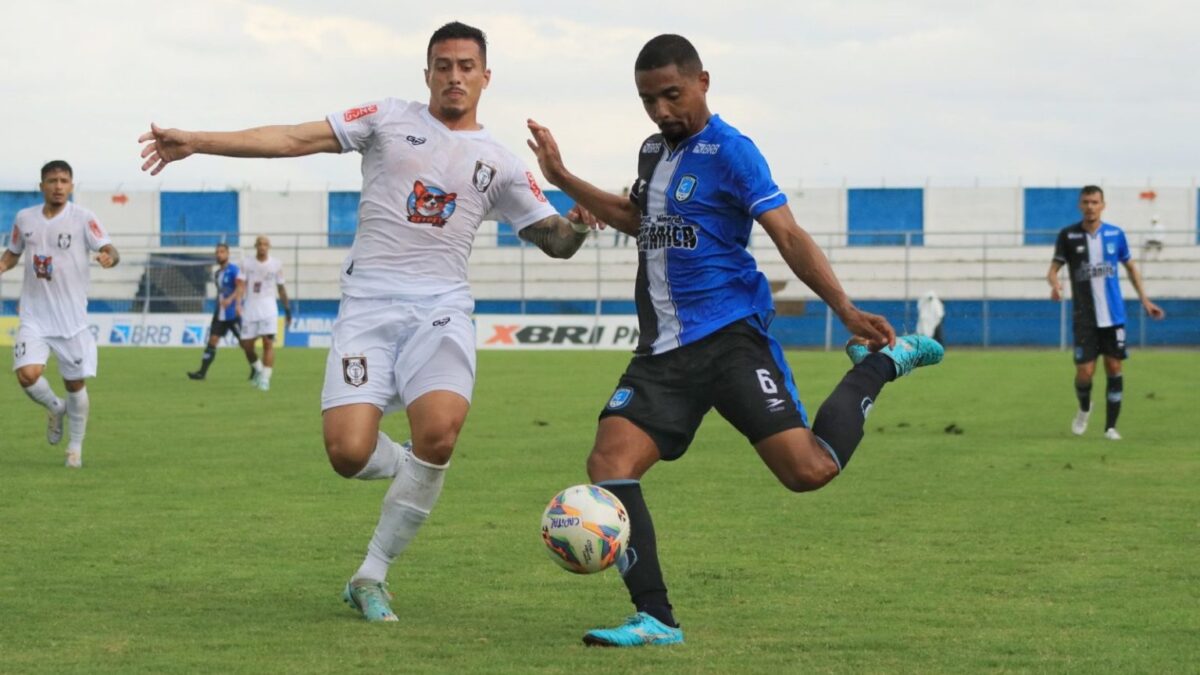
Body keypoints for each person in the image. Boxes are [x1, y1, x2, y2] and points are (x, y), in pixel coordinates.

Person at [139, 21, 593, 621]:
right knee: (348, 454)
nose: (454, 76)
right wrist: (198, 140)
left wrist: (582, 221)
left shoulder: (502, 162)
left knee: (441, 434)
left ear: (486, 76)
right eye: (443, 64)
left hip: (442, 310)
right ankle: (409, 468)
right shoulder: (385, 118)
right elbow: (294, 139)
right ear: (427, 72)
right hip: (369, 306)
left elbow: (554, 241)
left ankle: (370, 574)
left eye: (465, 66)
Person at [526, 34, 944, 647]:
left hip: (729, 339)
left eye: (672, 95)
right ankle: (656, 620)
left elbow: (788, 234)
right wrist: (563, 177)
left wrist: (845, 307)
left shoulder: (733, 152)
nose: (662, 111)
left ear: (702, 82)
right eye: (648, 100)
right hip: (661, 353)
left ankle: (882, 365)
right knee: (608, 464)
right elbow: (636, 219)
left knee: (808, 471)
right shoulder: (652, 152)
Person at [0, 160, 120, 468]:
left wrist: (109, 257)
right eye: (52, 180)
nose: (58, 186)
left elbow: (110, 247)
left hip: (72, 321)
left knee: (75, 385)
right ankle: (55, 407)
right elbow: (12, 254)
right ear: (41, 186)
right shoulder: (24, 218)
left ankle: (75, 449)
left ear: (71, 185)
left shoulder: (83, 218)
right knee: (27, 375)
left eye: (64, 180)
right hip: (34, 315)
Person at [1047, 185, 1165, 440]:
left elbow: (1131, 268)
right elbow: (1053, 269)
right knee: (1085, 372)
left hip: (1114, 316)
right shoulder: (1068, 235)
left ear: (1103, 205)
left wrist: (1145, 299)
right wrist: (1055, 284)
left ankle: (1110, 427)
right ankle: (1084, 407)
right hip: (1084, 317)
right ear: (1080, 205)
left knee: (1114, 367)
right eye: (1086, 202)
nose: (1090, 206)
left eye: (1095, 202)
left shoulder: (1115, 234)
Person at [187, 242, 255, 380]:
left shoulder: (234, 270)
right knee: (212, 341)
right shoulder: (217, 273)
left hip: (233, 314)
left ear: (228, 254)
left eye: (222, 252)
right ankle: (202, 372)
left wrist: (232, 301)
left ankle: (256, 368)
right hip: (220, 313)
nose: (219, 254)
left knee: (244, 343)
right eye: (217, 252)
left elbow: (241, 287)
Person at [237, 235, 291, 391]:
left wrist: (287, 310)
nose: (262, 246)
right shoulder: (246, 263)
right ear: (255, 246)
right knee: (246, 346)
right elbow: (241, 285)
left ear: (269, 246)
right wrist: (238, 303)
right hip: (250, 308)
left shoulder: (276, 264)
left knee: (268, 343)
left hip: (269, 308)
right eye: (259, 244)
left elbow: (281, 288)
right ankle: (259, 370)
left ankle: (265, 379)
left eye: (265, 244)